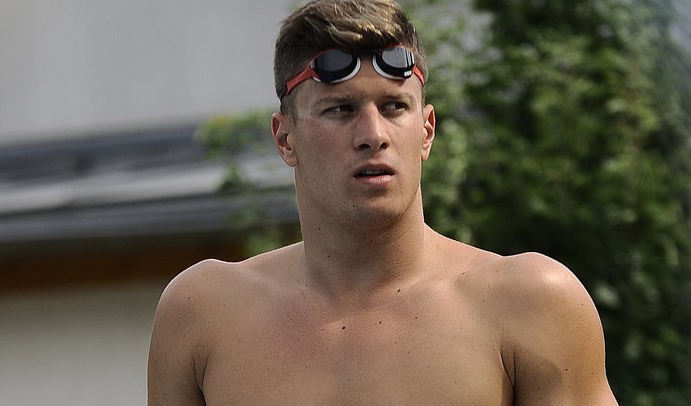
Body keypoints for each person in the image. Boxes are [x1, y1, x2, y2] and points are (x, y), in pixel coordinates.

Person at [147, 0, 618, 404]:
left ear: (426, 130)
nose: (373, 135)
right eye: (341, 109)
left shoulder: (529, 305)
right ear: (285, 138)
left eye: (394, 107)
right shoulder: (203, 316)